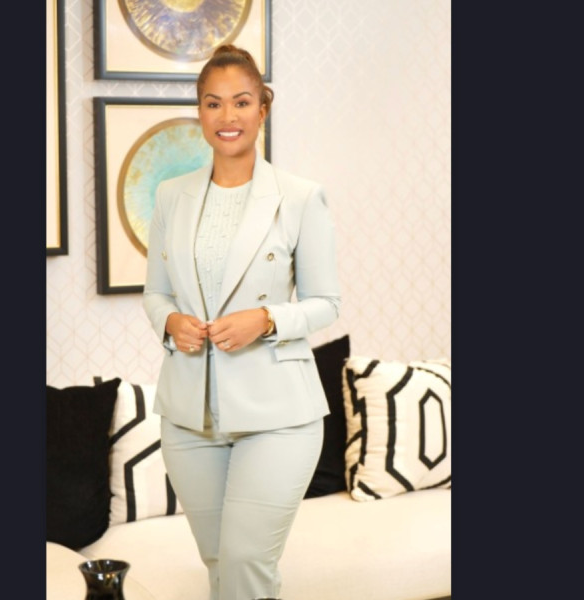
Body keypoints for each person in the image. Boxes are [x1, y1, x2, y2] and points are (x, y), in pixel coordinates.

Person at [142, 44, 341, 600]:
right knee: (220, 566)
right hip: (189, 416)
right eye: (213, 103)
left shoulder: (300, 198)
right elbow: (155, 293)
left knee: (246, 560)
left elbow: (327, 302)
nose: (227, 116)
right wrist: (171, 321)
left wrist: (266, 319)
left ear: (262, 109)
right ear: (200, 112)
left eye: (241, 102)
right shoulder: (171, 196)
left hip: (279, 415)